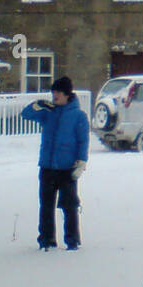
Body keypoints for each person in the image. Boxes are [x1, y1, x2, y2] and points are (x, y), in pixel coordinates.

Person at [21, 76, 89, 251]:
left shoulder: (78, 116)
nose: (55, 96)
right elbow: (25, 115)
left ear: (67, 94)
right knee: (46, 206)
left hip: (67, 169)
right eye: (53, 92)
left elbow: (83, 141)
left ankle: (72, 240)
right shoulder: (48, 113)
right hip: (47, 167)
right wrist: (38, 105)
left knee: (69, 206)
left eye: (58, 92)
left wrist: (81, 163)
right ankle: (46, 240)